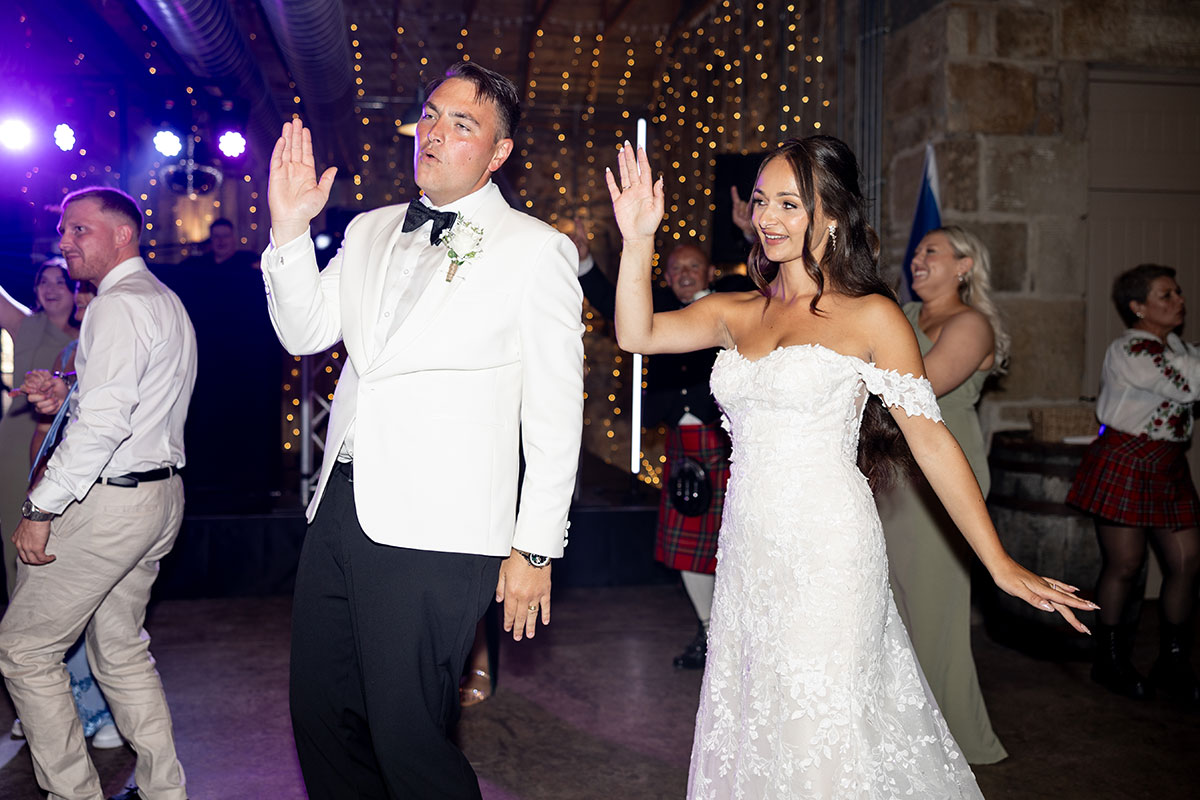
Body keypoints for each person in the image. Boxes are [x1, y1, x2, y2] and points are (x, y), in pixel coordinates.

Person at [607, 137, 1094, 796]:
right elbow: (636, 334)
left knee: (824, 717)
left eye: (790, 203)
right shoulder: (736, 310)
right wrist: (638, 240)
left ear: (831, 217)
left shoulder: (872, 316)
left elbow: (931, 441)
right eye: (762, 201)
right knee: (759, 712)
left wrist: (998, 562)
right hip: (749, 547)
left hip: (830, 548)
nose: (769, 217)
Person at [263, 61, 584, 798]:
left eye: (462, 124)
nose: (435, 132)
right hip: (340, 507)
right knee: (320, 717)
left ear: (499, 153)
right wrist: (290, 228)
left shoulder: (537, 250)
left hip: (441, 529)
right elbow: (304, 332)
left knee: (406, 736)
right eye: (431, 115)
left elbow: (555, 413)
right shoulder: (369, 228)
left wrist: (534, 547)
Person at [0, 186, 197, 800]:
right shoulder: (161, 299)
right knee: (118, 648)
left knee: (25, 649)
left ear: (123, 234)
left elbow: (106, 427)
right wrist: (70, 396)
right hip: (158, 497)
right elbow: (134, 402)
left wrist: (40, 506)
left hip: (110, 501)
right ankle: (165, 791)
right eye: (63, 230)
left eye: (79, 229)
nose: (64, 241)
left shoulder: (117, 305)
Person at [572, 226, 751, 669]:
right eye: (676, 269)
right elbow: (612, 303)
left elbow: (771, 285)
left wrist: (750, 235)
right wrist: (585, 262)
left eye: (693, 266)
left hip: (729, 442)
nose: (685, 274)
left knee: (738, 539)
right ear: (667, 277)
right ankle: (707, 631)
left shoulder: (736, 301)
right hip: (681, 441)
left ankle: (739, 635)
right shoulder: (660, 306)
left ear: (710, 271)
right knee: (689, 544)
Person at [875, 225, 1010, 764]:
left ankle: (953, 746)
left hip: (941, 481)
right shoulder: (902, 315)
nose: (917, 258)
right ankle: (899, 736)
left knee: (933, 615)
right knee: (888, 610)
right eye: (916, 251)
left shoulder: (971, 323)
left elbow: (919, 386)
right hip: (892, 475)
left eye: (932, 251)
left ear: (964, 266)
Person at [1067, 264, 1200, 705]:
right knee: (1124, 565)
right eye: (1166, 295)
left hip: (1167, 463)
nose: (1179, 300)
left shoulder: (1176, 347)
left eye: (1178, 292)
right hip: (1126, 460)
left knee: (1187, 560)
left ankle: (1173, 661)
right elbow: (1189, 382)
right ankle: (1109, 659)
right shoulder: (1131, 350)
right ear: (1138, 306)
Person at [11, 276, 123, 752]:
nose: (78, 296)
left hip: (99, 492)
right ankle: (59, 707)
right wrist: (38, 490)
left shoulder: (110, 342)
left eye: (83, 288)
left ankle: (100, 710)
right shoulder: (68, 352)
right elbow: (48, 433)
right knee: (48, 604)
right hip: (56, 489)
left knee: (97, 615)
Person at [0, 258, 79, 598]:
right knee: (13, 529)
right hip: (15, 442)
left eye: (60, 281)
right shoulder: (26, 325)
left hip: (65, 445)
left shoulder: (92, 334)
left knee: (61, 536)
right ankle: (18, 613)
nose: (51, 288)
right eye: (43, 281)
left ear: (76, 289)